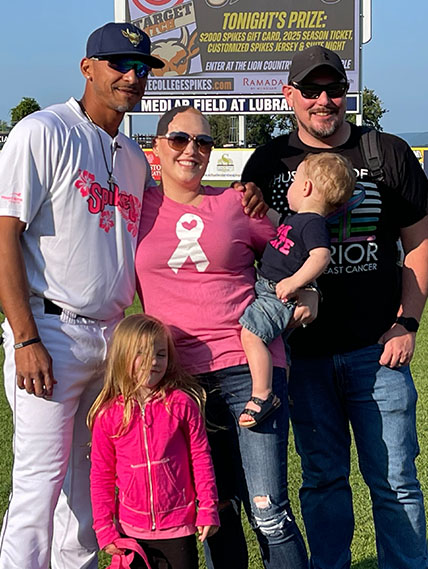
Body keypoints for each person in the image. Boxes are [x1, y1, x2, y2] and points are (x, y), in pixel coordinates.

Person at [241, 45, 428, 569]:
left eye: (335, 90)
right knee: (322, 480)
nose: (324, 100)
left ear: (347, 94)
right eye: (311, 90)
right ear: (289, 96)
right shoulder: (270, 160)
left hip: (377, 350)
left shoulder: (386, 152)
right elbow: (254, 245)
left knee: (395, 482)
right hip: (304, 356)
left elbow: (420, 243)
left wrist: (406, 321)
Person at [0, 22, 165, 569]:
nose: (131, 75)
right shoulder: (43, 131)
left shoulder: (135, 158)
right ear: (87, 67)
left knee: (92, 490)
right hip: (49, 330)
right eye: (119, 63)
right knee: (38, 487)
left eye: (141, 67)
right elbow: (4, 237)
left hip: (113, 337)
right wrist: (25, 337)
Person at [135, 105, 310, 569]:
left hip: (248, 369)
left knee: (268, 509)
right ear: (157, 146)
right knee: (216, 510)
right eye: (180, 139)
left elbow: (293, 251)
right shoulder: (136, 207)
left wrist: (307, 290)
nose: (192, 150)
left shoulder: (236, 202)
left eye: (204, 142)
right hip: (177, 378)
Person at [88, 313, 219, 569]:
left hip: (178, 528)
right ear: (123, 356)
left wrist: (207, 508)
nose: (153, 362)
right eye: (142, 354)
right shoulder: (108, 415)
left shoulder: (181, 404)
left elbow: (201, 459)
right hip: (131, 531)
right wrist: (104, 527)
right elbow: (101, 476)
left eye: (160, 354)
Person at [239, 152, 355, 428]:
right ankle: (283, 390)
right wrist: (264, 209)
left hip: (278, 294)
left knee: (251, 335)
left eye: (294, 181)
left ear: (306, 188)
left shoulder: (314, 223)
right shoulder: (299, 219)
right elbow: (281, 223)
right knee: (282, 349)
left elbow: (321, 256)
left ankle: (262, 395)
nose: (289, 188)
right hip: (270, 288)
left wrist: (295, 282)